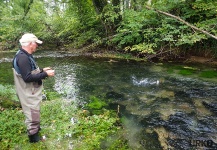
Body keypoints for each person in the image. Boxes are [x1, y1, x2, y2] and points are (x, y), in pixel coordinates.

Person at [12, 33, 55, 143]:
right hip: (27, 91)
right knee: (32, 113)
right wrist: (46, 74)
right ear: (30, 44)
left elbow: (28, 71)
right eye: (36, 43)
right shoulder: (22, 57)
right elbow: (27, 77)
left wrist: (42, 70)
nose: (37, 45)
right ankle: (34, 138)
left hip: (29, 90)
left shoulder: (25, 55)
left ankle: (36, 129)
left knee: (34, 111)